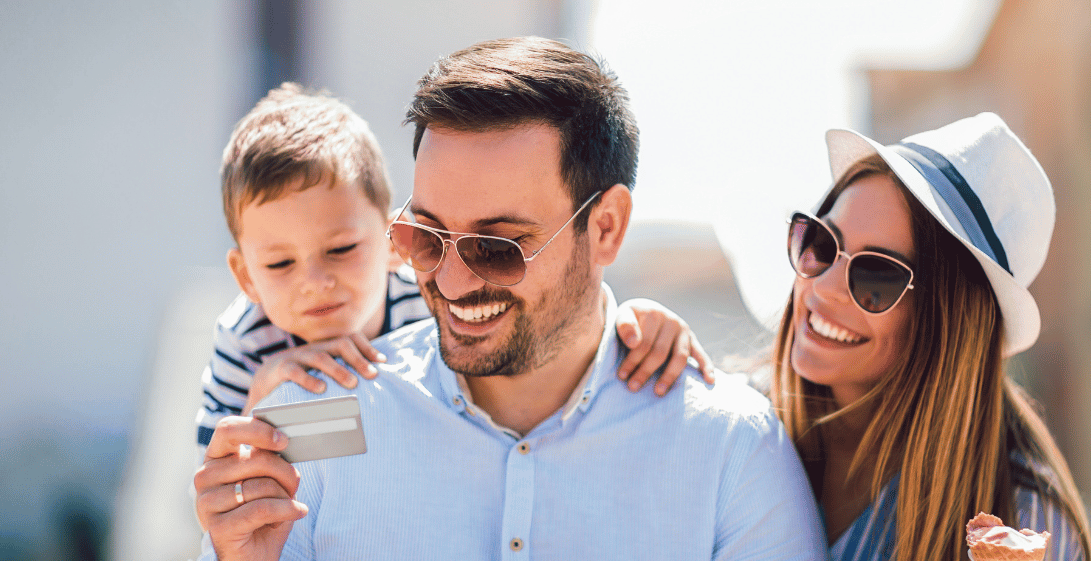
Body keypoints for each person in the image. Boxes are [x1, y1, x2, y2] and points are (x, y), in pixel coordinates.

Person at [145, 37, 853, 561]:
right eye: (425, 238)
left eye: (498, 247)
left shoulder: (730, 445)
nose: (450, 282)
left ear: (605, 227)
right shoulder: (323, 414)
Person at [769, 112, 1091, 561]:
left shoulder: (1021, 519)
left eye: (875, 276)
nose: (821, 287)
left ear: (947, 321)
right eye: (821, 243)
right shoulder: (744, 427)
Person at [197, 83, 714, 452]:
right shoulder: (246, 344)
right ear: (246, 279)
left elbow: (558, 322)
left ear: (395, 239)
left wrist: (636, 323)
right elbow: (218, 484)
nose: (316, 281)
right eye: (281, 263)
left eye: (341, 250)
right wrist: (263, 406)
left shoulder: (426, 309)